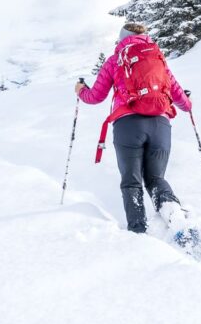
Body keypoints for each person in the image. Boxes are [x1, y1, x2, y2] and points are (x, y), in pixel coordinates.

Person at [75, 23, 193, 234]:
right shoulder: (158, 58)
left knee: (131, 181)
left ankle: (138, 233)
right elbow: (178, 95)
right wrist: (188, 104)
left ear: (122, 39)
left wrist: (81, 91)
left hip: (127, 125)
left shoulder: (116, 60)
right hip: (160, 124)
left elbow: (95, 97)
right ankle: (173, 213)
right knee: (156, 178)